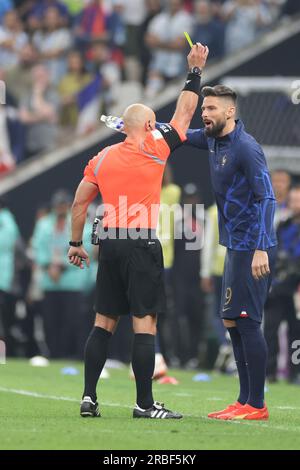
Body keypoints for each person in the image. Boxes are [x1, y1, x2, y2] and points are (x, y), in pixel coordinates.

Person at [67, 43, 209, 419]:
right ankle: (144, 404)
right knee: (144, 325)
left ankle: (88, 398)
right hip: (140, 244)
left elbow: (79, 204)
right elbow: (184, 112)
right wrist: (194, 71)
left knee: (103, 324)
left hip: (108, 245)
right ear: (147, 126)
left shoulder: (101, 158)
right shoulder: (154, 147)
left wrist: (75, 243)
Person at [186, 84, 277, 420]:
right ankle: (243, 400)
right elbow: (179, 134)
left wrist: (261, 248)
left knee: (247, 321)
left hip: (253, 246)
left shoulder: (246, 148)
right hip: (235, 245)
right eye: (203, 109)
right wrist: (141, 128)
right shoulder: (212, 140)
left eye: (211, 109)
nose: (204, 114)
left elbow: (267, 198)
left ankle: (257, 404)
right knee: (231, 320)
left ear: (230, 112)